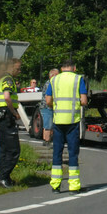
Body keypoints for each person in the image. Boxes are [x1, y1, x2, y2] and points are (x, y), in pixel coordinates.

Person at [46, 59, 87, 193]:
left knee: (57, 153)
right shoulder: (78, 79)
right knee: (73, 153)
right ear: (74, 68)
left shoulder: (54, 80)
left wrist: (57, 107)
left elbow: (48, 101)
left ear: (62, 68)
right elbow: (84, 101)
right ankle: (74, 186)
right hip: (72, 121)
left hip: (58, 121)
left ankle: (55, 185)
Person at [0, 58, 23, 188]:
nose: (19, 71)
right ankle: (3, 177)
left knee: (5, 149)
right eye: (17, 68)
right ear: (11, 68)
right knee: (14, 149)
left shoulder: (4, 79)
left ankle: (5, 177)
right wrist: (14, 112)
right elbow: (7, 97)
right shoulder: (8, 79)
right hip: (7, 116)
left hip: (2, 116)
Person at [39, 68, 59, 146]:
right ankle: (47, 141)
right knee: (48, 124)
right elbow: (48, 98)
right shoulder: (49, 83)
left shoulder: (51, 83)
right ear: (53, 75)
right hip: (47, 107)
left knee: (49, 124)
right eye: (57, 75)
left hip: (48, 106)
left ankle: (48, 140)